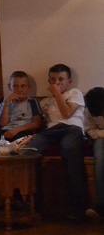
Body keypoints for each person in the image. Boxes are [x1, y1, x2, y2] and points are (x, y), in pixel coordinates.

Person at [19, 64, 87, 221]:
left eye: (61, 79)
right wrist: (32, 136)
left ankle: (77, 209)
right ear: (48, 81)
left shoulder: (75, 93)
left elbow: (67, 114)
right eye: (53, 80)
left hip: (72, 128)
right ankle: (34, 205)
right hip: (52, 131)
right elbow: (41, 124)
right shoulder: (44, 102)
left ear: (69, 81)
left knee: (70, 150)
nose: (57, 83)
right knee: (28, 150)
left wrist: (57, 94)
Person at [0, 71, 42, 141]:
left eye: (23, 86)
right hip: (6, 130)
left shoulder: (32, 101)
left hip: (23, 130)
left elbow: (36, 123)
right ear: (9, 87)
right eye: (15, 86)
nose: (19, 90)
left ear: (28, 87)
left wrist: (16, 130)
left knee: (19, 141)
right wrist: (6, 104)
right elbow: (3, 124)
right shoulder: (5, 102)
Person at [85, 87, 104, 220]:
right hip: (99, 139)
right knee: (99, 156)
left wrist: (99, 132)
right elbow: (90, 130)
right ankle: (101, 205)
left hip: (100, 134)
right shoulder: (89, 110)